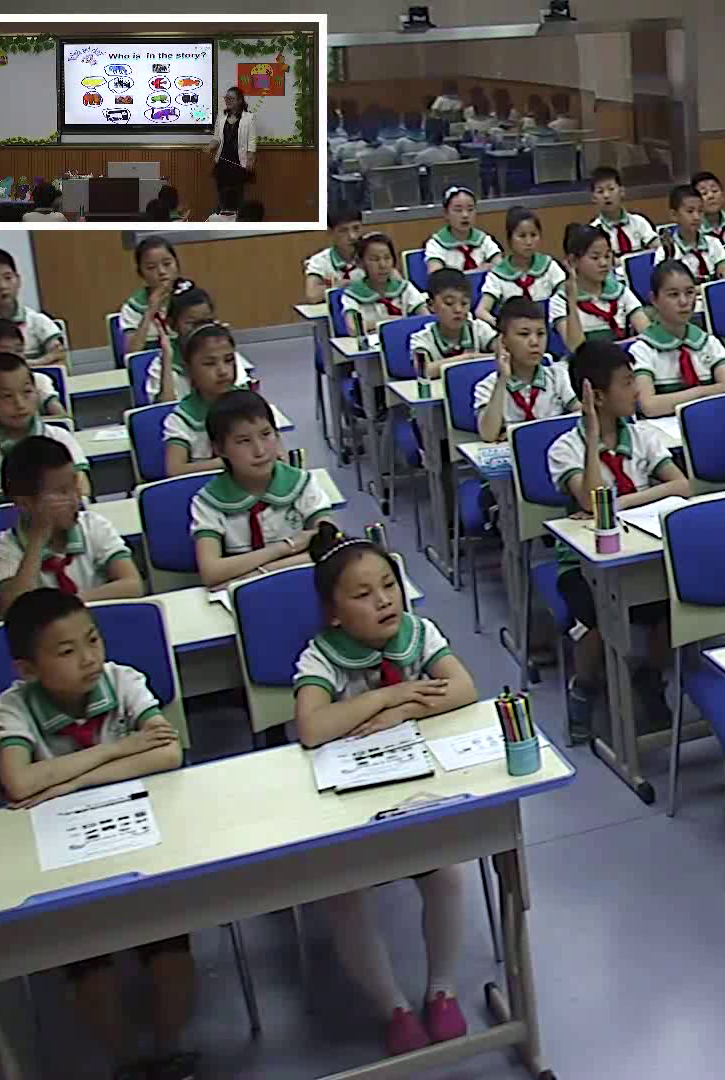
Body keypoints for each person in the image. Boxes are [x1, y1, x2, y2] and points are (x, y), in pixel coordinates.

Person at [0, 589, 196, 1080]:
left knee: (169, 949)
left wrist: (71, 780)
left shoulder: (121, 680)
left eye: (93, 640)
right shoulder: (14, 706)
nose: (88, 658)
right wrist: (117, 750)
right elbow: (18, 781)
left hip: (141, 836)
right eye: (67, 651)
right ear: (28, 669)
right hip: (64, 855)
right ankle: (126, 1063)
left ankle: (168, 1052)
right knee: (90, 963)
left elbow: (168, 753)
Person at [293, 524, 476, 1058]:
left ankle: (441, 990)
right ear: (333, 613)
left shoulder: (419, 633)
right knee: (344, 894)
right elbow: (312, 727)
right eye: (363, 594)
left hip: (415, 786)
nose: (383, 601)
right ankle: (392, 1006)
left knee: (446, 872)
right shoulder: (320, 656)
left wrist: (398, 709)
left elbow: (465, 688)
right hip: (348, 803)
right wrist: (388, 698)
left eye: (389, 586)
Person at [549, 342, 691, 728]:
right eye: (627, 383)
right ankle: (584, 684)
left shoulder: (643, 436)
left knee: (671, 606)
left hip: (642, 549)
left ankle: (649, 675)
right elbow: (592, 502)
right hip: (582, 564)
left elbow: (682, 485)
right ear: (597, 396)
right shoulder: (565, 448)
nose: (635, 391)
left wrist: (621, 501)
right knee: (599, 617)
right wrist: (593, 436)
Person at [191, 391, 334, 587]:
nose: (260, 451)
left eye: (266, 434)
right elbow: (211, 572)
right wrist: (286, 547)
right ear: (219, 449)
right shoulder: (208, 501)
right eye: (244, 441)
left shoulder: (302, 483)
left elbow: (329, 546)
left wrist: (260, 573)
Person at [0, 438, 142, 610]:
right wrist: (38, 540)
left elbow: (132, 585)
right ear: (25, 503)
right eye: (62, 492)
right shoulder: (3, 550)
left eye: (75, 486)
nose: (75, 499)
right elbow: (14, 608)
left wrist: (69, 606)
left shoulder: (93, 526)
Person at [0, 352, 90, 506]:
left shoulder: (58, 437)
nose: (19, 404)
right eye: (7, 396)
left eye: (27, 392)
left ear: (37, 393)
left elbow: (82, 490)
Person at [629, 261, 725, 417]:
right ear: (654, 299)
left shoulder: (709, 343)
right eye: (673, 295)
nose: (684, 302)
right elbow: (649, 406)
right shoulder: (642, 350)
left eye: (690, 292)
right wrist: (703, 392)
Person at [475, 299, 576, 441]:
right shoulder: (488, 386)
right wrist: (503, 379)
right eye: (524, 334)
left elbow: (581, 415)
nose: (534, 342)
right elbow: (488, 435)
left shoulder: (558, 376)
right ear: (503, 341)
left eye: (540, 334)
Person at [164, 323, 247, 475]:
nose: (223, 371)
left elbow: (278, 455)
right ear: (189, 370)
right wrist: (225, 462)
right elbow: (175, 470)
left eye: (229, 360)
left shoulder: (250, 404)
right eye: (210, 363)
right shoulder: (183, 418)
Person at [149, 281, 253, 402]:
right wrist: (167, 361)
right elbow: (163, 409)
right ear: (172, 324)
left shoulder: (224, 354)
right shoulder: (163, 364)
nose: (201, 328)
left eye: (207, 321)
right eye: (192, 323)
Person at [552, 223, 648, 351]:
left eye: (607, 256)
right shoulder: (561, 300)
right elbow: (576, 348)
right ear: (573, 261)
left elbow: (646, 333)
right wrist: (571, 301)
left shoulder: (620, 291)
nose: (603, 263)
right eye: (595, 257)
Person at [0, 248, 67, 362]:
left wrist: (29, 365)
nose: (2, 286)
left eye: (8, 278)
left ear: (18, 280)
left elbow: (58, 356)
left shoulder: (38, 321)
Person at [0, 319, 65, 429]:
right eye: (4, 353)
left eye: (19, 350)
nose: (14, 357)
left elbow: (61, 418)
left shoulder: (40, 380)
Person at [476, 206, 566, 323]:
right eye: (522, 236)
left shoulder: (549, 266)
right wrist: (499, 325)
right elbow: (481, 311)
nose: (529, 242)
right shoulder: (498, 274)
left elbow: (567, 294)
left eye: (533, 235)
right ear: (509, 239)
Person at [412, 269, 497, 378]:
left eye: (464, 303)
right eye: (449, 303)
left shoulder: (479, 328)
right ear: (431, 305)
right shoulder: (421, 339)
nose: (458, 310)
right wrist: (467, 358)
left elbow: (504, 353)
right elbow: (424, 371)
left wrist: (472, 358)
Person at [343, 233, 431, 337]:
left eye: (387, 258)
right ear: (361, 262)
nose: (382, 265)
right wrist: (387, 323)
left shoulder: (404, 288)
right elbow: (353, 329)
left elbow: (427, 319)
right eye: (375, 259)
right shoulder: (352, 295)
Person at [123, 236, 183, 353]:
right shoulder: (133, 307)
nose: (161, 271)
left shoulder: (190, 295)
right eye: (151, 267)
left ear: (177, 264)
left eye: (167, 264)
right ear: (140, 273)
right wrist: (150, 311)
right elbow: (132, 352)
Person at [659, 183, 725, 281]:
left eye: (700, 211)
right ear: (674, 215)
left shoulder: (714, 243)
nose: (696, 217)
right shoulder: (666, 252)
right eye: (690, 211)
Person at [423, 187, 502, 272]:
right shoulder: (436, 244)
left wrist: (495, 267)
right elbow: (437, 276)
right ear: (446, 213)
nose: (465, 215)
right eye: (458, 210)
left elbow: (501, 267)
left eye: (470, 209)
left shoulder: (484, 239)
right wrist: (476, 271)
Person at [588, 166, 658, 256]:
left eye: (611, 189)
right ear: (594, 198)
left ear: (621, 191)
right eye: (600, 191)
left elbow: (658, 249)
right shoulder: (593, 232)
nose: (606, 195)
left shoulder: (639, 222)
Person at [209, 86, 256, 213]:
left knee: (238, 198)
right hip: (222, 163)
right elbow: (216, 138)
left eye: (231, 98)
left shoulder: (249, 117)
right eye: (226, 98)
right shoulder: (221, 116)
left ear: (239, 100)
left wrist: (250, 160)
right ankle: (220, 220)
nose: (227, 101)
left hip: (238, 163)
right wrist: (210, 146)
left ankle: (238, 221)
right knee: (221, 198)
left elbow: (251, 142)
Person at [303, 208, 366, 302]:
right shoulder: (320, 260)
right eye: (343, 230)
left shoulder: (371, 255)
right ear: (330, 232)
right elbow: (312, 295)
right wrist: (337, 287)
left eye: (356, 228)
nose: (352, 236)